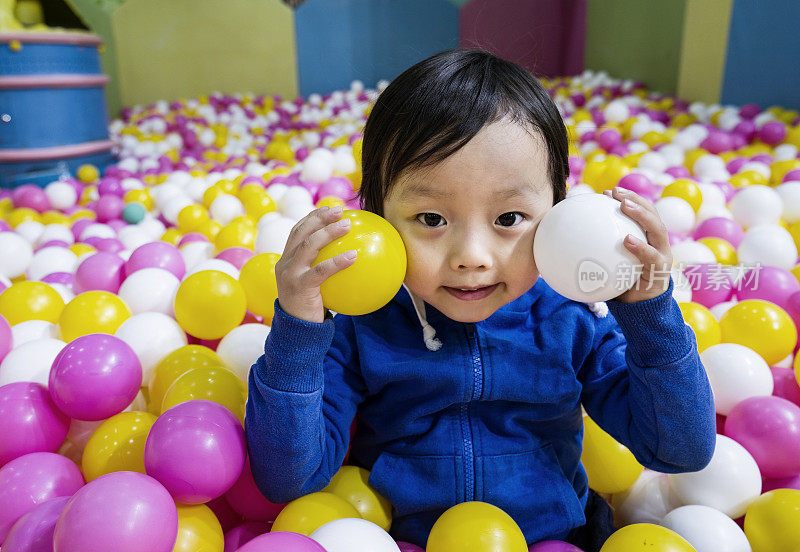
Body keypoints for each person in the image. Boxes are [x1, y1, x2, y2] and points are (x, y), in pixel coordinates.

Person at [245, 49, 716, 551]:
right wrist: (299, 329)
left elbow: (679, 450)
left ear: (558, 212)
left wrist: (651, 316)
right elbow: (289, 478)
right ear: (378, 217)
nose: (472, 257)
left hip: (560, 538)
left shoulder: (574, 319)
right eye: (431, 219)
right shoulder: (363, 327)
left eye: (509, 219)